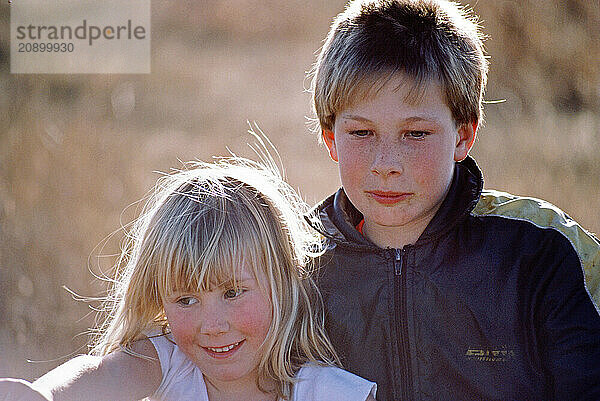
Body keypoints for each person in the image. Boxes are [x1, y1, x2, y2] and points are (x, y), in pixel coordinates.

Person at [305, 0, 600, 400]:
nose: (387, 165)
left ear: (463, 135)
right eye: (362, 133)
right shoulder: (294, 265)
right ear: (330, 138)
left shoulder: (542, 251)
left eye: (416, 134)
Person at [0, 157, 377, 401]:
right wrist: (43, 395)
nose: (211, 326)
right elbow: (100, 373)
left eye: (232, 292)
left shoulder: (325, 392)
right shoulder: (168, 363)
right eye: (185, 300)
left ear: (283, 283)